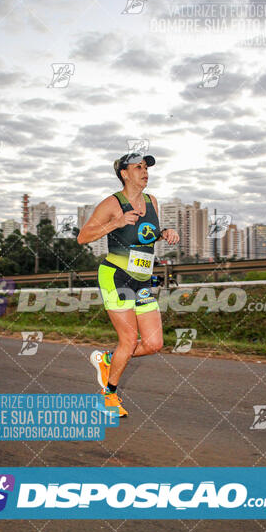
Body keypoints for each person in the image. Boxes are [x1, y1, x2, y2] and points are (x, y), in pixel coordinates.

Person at [77, 152, 179, 416]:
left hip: (142, 278)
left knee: (154, 342)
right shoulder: (113, 203)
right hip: (116, 276)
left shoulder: (152, 201)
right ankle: (107, 395)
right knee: (129, 339)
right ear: (124, 173)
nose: (145, 171)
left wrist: (164, 233)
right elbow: (83, 237)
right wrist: (116, 222)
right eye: (138, 167)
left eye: (146, 167)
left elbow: (147, 234)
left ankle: (108, 360)